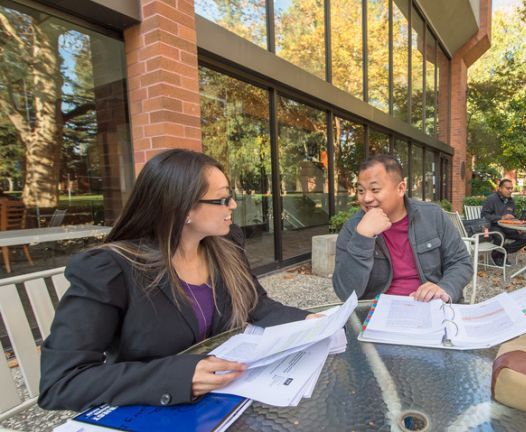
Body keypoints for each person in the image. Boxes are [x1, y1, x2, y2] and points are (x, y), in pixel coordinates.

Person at [39, 149, 320, 411]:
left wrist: (311, 322)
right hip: (152, 408)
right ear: (183, 208)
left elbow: (255, 304)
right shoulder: (110, 269)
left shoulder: (225, 246)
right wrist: (181, 377)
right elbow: (62, 382)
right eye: (222, 199)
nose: (233, 204)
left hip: (225, 398)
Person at [333, 155, 472, 303]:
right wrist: (363, 237)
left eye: (375, 189)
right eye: (361, 190)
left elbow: (461, 262)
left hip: (431, 306)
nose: (366, 198)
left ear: (400, 188)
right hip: (377, 313)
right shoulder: (353, 228)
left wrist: (444, 288)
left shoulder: (432, 215)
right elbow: (345, 292)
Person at [480, 179, 526, 266]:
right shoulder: (491, 199)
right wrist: (501, 217)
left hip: (508, 227)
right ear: (500, 188)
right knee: (500, 237)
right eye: (507, 188)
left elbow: (513, 216)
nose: (510, 191)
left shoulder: (511, 201)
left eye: (511, 188)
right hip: (493, 226)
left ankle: (501, 252)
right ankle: (497, 256)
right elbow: (484, 216)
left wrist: (518, 227)